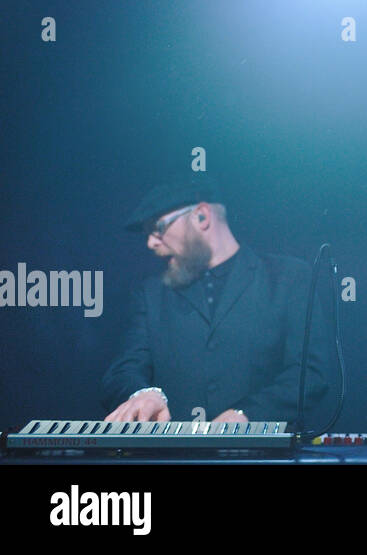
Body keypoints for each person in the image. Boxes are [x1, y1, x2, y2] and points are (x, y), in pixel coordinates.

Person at [101, 176, 330, 426]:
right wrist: (142, 394)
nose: (151, 242)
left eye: (158, 228)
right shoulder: (151, 294)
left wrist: (247, 415)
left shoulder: (288, 277)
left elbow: (311, 373)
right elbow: (125, 368)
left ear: (202, 216)